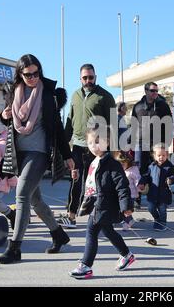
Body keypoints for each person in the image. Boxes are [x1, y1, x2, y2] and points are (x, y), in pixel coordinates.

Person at [0, 54, 77, 264]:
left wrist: (67, 155)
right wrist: (2, 117)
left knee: (22, 194)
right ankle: (59, 234)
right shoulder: (13, 92)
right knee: (35, 200)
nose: (32, 77)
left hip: (40, 153)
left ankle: (14, 248)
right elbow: (8, 120)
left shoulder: (48, 94)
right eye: (28, 74)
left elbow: (57, 128)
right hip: (19, 153)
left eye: (36, 73)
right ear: (20, 74)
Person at [69, 127, 135, 279]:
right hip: (94, 203)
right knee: (108, 231)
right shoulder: (93, 161)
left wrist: (126, 206)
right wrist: (76, 176)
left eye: (98, 141)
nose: (94, 146)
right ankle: (127, 254)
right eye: (91, 142)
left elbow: (122, 186)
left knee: (91, 231)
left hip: (104, 204)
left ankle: (86, 265)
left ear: (108, 142)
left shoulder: (112, 164)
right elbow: (91, 183)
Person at [62, 64, 116, 229]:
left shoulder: (105, 96)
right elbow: (70, 122)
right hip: (78, 146)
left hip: (98, 148)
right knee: (76, 181)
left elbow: (113, 124)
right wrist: (64, 147)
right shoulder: (75, 96)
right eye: (85, 78)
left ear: (95, 77)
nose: (88, 80)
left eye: (90, 77)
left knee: (98, 184)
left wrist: (112, 149)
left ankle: (103, 217)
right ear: (80, 79)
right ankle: (71, 216)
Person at [131, 82, 173, 176]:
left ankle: (157, 190)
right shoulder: (137, 106)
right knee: (140, 169)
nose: (155, 92)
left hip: (158, 143)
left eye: (156, 91)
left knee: (158, 170)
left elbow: (169, 124)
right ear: (146, 91)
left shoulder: (163, 106)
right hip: (141, 143)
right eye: (152, 90)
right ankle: (141, 190)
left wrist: (167, 142)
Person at [138, 143, 174, 231]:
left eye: (163, 155)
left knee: (162, 209)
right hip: (153, 193)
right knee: (151, 208)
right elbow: (146, 176)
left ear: (167, 155)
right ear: (154, 156)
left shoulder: (170, 167)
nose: (161, 157)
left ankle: (162, 223)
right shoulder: (151, 166)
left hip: (164, 193)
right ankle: (157, 219)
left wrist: (171, 179)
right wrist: (142, 183)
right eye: (159, 155)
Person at [115, 151, 141, 221]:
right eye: (119, 164)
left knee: (127, 209)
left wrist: (138, 188)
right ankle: (126, 220)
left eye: (123, 164)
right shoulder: (118, 170)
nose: (121, 166)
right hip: (121, 194)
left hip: (131, 194)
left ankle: (129, 221)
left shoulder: (132, 170)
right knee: (121, 208)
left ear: (128, 162)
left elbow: (137, 180)